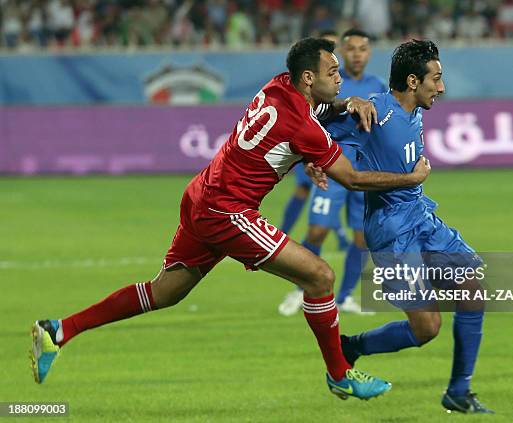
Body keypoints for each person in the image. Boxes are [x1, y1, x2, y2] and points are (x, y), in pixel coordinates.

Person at [31, 37, 432, 401]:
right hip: (227, 210)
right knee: (320, 276)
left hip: (201, 193)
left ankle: (58, 331)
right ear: (308, 77)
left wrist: (345, 105)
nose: (341, 78)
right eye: (333, 72)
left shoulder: (278, 85)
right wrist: (410, 178)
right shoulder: (303, 127)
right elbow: (352, 178)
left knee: (165, 292)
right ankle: (340, 374)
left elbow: (315, 114)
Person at [327, 40, 494, 413]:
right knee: (426, 328)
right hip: (390, 230)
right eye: (437, 79)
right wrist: (314, 152)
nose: (442, 87)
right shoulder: (374, 112)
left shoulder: (414, 109)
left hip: (420, 216)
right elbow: (313, 127)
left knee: (472, 289)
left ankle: (459, 392)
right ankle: (351, 347)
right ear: (414, 81)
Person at [278, 29, 386, 316]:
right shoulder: (328, 84)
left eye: (363, 49)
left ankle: (346, 297)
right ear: (342, 52)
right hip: (332, 171)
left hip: (364, 174)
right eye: (351, 49)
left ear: (369, 52)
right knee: (317, 230)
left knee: (362, 237)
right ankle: (301, 290)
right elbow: (308, 122)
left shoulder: (379, 87)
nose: (357, 54)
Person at [279, 29, 350, 251]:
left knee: (365, 235)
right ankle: (283, 233)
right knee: (307, 194)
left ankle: (340, 241)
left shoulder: (337, 81)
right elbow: (315, 114)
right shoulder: (305, 98)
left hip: (337, 155)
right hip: (314, 152)